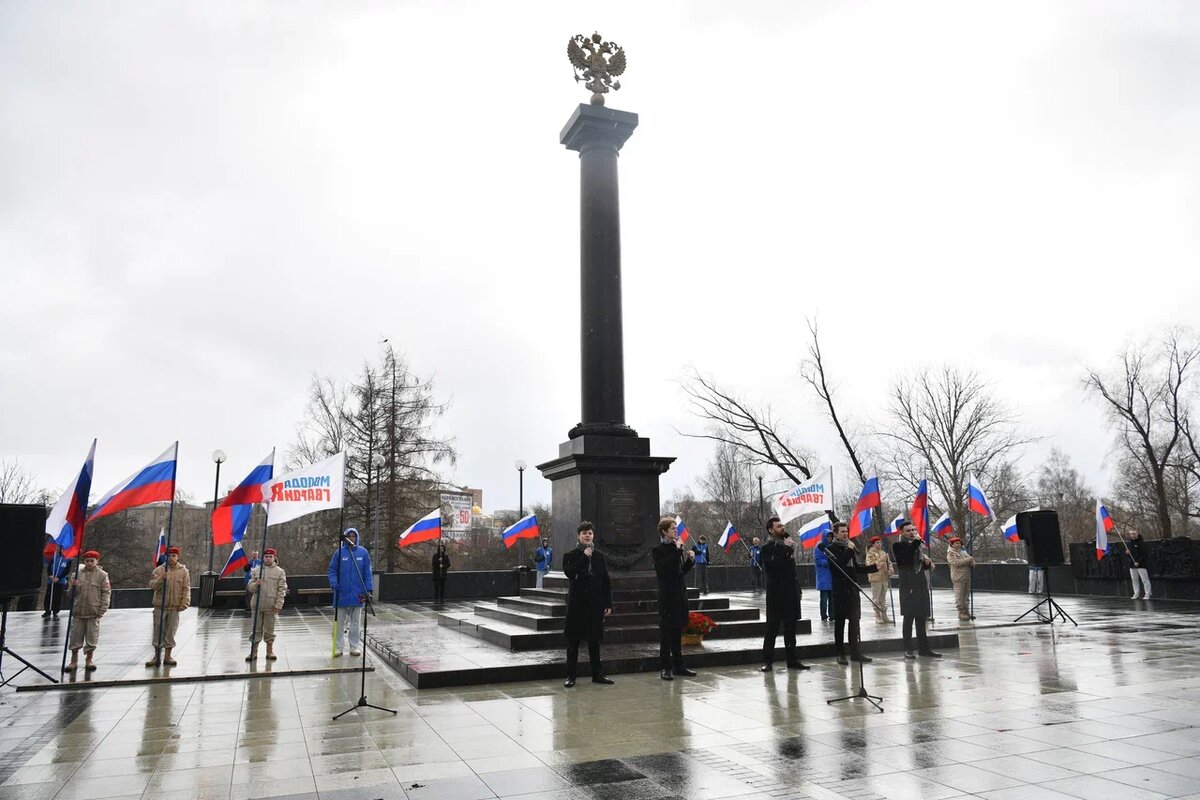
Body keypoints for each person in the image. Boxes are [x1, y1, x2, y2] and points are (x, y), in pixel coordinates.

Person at [561, 521, 614, 687]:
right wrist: (584, 557)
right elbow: (571, 573)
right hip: (577, 604)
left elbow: (605, 580)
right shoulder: (570, 555)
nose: (587, 535)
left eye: (590, 533)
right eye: (584, 533)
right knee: (573, 642)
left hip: (594, 604)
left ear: (593, 536)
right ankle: (571, 676)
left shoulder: (599, 556)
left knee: (594, 641)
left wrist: (608, 603)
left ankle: (597, 674)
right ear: (578, 536)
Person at [820, 522, 878, 665]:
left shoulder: (848, 548)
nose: (845, 534)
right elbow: (839, 565)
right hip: (840, 591)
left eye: (846, 531)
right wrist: (850, 551)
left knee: (854, 623)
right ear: (835, 534)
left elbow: (856, 568)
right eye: (842, 532)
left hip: (852, 590)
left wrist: (875, 568)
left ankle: (855, 652)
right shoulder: (831, 549)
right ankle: (840, 653)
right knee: (840, 624)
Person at [759, 516, 809, 671]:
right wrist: (786, 551)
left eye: (782, 525)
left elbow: (792, 570)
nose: (782, 528)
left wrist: (798, 588)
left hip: (790, 592)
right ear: (771, 529)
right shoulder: (768, 547)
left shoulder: (788, 546)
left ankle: (792, 660)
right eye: (779, 526)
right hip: (776, 593)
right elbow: (773, 566)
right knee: (772, 628)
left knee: (790, 628)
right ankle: (768, 661)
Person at [653, 517, 698, 681]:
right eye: (673, 529)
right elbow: (664, 570)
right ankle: (665, 667)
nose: (676, 531)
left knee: (677, 633)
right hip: (666, 598)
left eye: (676, 529)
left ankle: (679, 665)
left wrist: (689, 561)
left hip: (679, 595)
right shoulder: (658, 550)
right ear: (664, 531)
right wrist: (678, 551)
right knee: (666, 635)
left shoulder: (675, 549)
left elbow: (678, 574)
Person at [891, 522, 940, 659]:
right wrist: (916, 543)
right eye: (908, 530)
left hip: (920, 584)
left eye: (914, 530)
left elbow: (918, 566)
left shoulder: (918, 548)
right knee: (909, 618)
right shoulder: (898, 546)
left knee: (921, 618)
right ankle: (908, 648)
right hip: (908, 586)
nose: (912, 532)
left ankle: (924, 648)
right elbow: (904, 561)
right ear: (902, 532)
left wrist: (926, 564)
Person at [328, 528, 373, 657]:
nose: (351, 538)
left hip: (357, 594)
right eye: (349, 536)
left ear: (357, 537)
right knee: (339, 622)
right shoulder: (339, 553)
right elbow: (332, 570)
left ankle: (354, 646)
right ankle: (338, 647)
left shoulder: (363, 553)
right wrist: (334, 583)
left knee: (355, 623)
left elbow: (367, 573)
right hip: (341, 593)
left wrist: (368, 589)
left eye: (354, 536)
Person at [65, 550, 110, 672]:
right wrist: (73, 587)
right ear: (84, 562)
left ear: (97, 561)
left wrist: (103, 609)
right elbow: (70, 595)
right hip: (78, 611)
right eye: (87, 561)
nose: (89, 563)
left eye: (92, 561)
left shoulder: (102, 575)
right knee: (75, 637)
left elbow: (106, 593)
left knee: (91, 637)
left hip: (93, 611)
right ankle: (73, 661)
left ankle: (89, 660)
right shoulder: (77, 575)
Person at [146, 546, 190, 667]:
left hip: (174, 607)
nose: (171, 558)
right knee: (158, 631)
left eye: (173, 556)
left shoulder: (183, 571)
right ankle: (156, 656)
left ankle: (168, 656)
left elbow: (186, 588)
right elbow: (153, 585)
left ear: (178, 557)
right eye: (169, 556)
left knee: (170, 632)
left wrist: (184, 602)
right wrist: (161, 579)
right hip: (160, 606)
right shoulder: (159, 570)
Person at [246, 547, 288, 661]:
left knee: (270, 629)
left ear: (274, 558)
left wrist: (279, 604)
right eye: (266, 557)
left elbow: (282, 589)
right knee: (256, 629)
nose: (268, 559)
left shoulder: (280, 572)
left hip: (271, 605)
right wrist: (256, 584)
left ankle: (270, 651)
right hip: (257, 605)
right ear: (263, 558)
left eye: (270, 557)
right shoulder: (256, 571)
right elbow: (250, 587)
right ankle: (253, 652)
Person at [946, 537, 975, 620]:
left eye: (959, 543)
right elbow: (956, 562)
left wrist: (972, 562)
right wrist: (968, 559)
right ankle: (961, 612)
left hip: (966, 576)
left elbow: (969, 560)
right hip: (958, 577)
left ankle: (966, 611)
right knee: (959, 596)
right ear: (952, 544)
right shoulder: (951, 553)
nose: (958, 545)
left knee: (966, 596)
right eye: (956, 543)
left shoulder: (963, 551)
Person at [865, 536, 893, 623]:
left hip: (884, 577)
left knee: (883, 598)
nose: (879, 544)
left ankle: (884, 615)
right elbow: (871, 565)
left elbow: (889, 563)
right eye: (877, 542)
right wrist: (882, 560)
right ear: (873, 544)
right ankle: (877, 615)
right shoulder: (870, 553)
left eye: (880, 542)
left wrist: (890, 570)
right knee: (876, 598)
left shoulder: (883, 553)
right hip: (875, 577)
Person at [42, 541, 71, 618]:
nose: (63, 550)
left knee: (58, 596)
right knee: (48, 595)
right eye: (62, 549)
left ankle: (55, 611)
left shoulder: (68, 559)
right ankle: (47, 610)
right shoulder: (54, 557)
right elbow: (49, 567)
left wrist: (59, 578)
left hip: (60, 581)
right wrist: (50, 575)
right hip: (51, 580)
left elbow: (66, 571)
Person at [813, 531, 833, 621]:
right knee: (824, 600)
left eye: (831, 537)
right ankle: (823, 615)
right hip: (823, 577)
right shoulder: (819, 548)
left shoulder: (832, 546)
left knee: (832, 599)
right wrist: (829, 561)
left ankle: (832, 615)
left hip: (832, 576)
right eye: (828, 537)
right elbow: (818, 561)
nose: (829, 538)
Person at [1127, 529, 1151, 599]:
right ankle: (1136, 593)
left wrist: (1138, 562)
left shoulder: (1142, 543)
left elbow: (1144, 554)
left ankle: (1147, 594)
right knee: (1134, 580)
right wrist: (1127, 553)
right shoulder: (1129, 544)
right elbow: (1128, 555)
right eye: (1131, 534)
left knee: (1145, 580)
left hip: (1141, 565)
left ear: (1137, 534)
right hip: (1132, 565)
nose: (1132, 535)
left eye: (1134, 534)